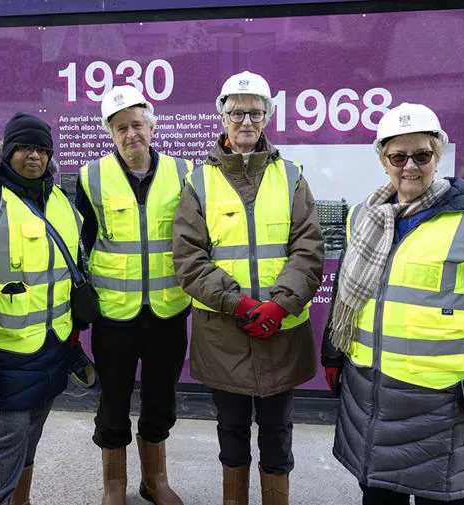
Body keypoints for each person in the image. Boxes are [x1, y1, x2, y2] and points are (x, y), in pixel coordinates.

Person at [321, 103, 464, 505]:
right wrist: (333, 353)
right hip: (370, 390)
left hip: (439, 399)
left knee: (442, 497)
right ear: (384, 160)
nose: (409, 166)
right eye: (398, 156)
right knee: (379, 496)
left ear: (439, 156)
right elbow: (347, 293)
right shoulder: (363, 215)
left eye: (422, 155)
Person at [172, 70, 323, 505]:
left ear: (267, 118)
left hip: (281, 330)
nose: (245, 121)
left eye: (255, 112)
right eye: (236, 112)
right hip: (225, 332)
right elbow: (189, 259)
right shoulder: (198, 182)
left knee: (278, 431)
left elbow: (308, 248)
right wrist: (238, 304)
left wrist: (279, 305)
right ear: (221, 117)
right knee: (232, 430)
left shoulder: (292, 176)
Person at [75, 85, 193, 505]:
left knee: (162, 398)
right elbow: (81, 244)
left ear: (151, 127)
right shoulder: (90, 177)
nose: (131, 134)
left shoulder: (184, 173)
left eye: (137, 124)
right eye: (121, 127)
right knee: (113, 401)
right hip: (115, 315)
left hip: (168, 311)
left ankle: (154, 482)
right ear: (111, 132)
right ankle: (114, 487)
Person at [0, 113, 83, 505]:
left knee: (32, 434)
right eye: (26, 148)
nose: (35, 157)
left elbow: (74, 267)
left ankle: (21, 500)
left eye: (43, 149)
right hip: (4, 351)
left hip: (53, 344)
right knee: (4, 441)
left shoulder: (60, 199)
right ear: (8, 151)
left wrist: (75, 330)